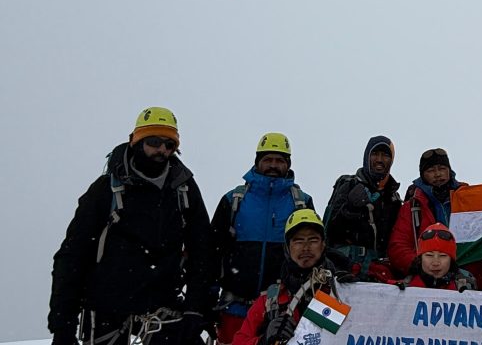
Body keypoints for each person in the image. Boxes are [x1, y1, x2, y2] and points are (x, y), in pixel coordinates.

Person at [48, 107, 215, 345]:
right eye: (154, 142)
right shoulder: (106, 190)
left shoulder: (183, 189)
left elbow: (202, 252)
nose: (162, 150)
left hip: (162, 308)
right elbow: (73, 256)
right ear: (135, 141)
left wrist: (195, 309)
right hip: (107, 310)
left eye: (169, 144)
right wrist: (63, 325)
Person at [210, 132, 315, 344]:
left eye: (280, 160)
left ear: (288, 164)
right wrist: (207, 300)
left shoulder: (301, 203)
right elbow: (212, 253)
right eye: (268, 159)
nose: (273, 165)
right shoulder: (234, 200)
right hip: (234, 307)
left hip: (282, 309)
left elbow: (315, 252)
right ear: (257, 161)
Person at [233, 209, 349, 345]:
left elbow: (358, 332)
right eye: (298, 241)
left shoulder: (338, 292)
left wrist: (352, 292)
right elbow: (239, 342)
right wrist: (263, 340)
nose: (306, 247)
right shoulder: (271, 301)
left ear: (323, 245)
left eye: (313, 240)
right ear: (287, 247)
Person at [388, 148, 482, 288]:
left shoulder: (469, 199)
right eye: (431, 170)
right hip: (425, 284)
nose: (437, 174)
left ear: (449, 170)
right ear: (422, 175)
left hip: (469, 281)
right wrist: (419, 265)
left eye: (442, 168)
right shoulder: (412, 207)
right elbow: (398, 246)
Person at [323, 135, 402, 281]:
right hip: (342, 270)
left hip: (377, 275)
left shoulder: (394, 200)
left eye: (385, 155)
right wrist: (349, 210)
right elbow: (327, 232)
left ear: (392, 160)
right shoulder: (348, 185)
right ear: (366, 156)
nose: (379, 159)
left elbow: (395, 242)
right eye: (375, 154)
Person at [396, 223, 475, 290]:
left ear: (451, 260)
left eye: (442, 255)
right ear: (420, 259)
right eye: (429, 255)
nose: (435, 263)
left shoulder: (467, 285)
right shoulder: (405, 287)